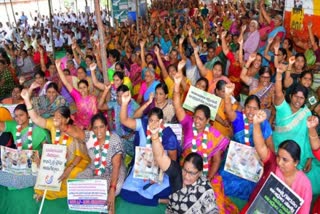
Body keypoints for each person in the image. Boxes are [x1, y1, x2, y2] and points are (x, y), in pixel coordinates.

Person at [173, 61, 237, 213]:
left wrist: (207, 179)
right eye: (195, 117)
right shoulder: (188, 123)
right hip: (186, 172)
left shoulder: (214, 135)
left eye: (201, 119)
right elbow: (177, 106)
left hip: (205, 174)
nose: (197, 121)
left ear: (208, 121)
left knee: (214, 205)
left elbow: (216, 160)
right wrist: (176, 85)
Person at [21, 89, 90, 200]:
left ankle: (52, 192)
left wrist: (68, 169)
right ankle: (42, 192)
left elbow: (79, 154)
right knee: (46, 175)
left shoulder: (74, 131)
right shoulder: (53, 125)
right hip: (57, 160)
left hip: (75, 162)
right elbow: (36, 119)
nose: (55, 119)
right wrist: (27, 100)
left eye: (59, 117)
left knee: (70, 176)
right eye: (55, 117)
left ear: (67, 119)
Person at [241, 110, 312, 214]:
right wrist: (256, 124)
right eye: (278, 157)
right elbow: (260, 146)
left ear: (296, 162)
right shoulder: (272, 163)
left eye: (285, 160)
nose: (279, 162)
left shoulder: (304, 185)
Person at [119, 91, 181, 206]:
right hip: (140, 171)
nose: (153, 124)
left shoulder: (168, 135)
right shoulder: (142, 125)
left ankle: (147, 194)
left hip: (160, 174)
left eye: (156, 121)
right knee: (125, 192)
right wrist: (124, 103)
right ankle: (158, 200)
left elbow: (173, 164)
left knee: (170, 190)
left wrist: (159, 174)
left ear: (161, 122)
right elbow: (124, 120)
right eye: (151, 121)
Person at [219, 83, 273, 200]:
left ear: (259, 110)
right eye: (248, 107)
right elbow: (228, 110)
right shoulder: (238, 118)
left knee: (252, 191)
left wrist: (268, 163)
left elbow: (270, 145)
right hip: (234, 162)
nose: (251, 111)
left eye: (255, 108)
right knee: (222, 186)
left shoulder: (264, 124)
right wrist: (227, 94)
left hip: (253, 166)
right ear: (244, 108)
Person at [273, 65, 320, 195]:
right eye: (296, 96)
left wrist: (310, 158)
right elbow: (278, 93)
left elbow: (307, 137)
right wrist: (278, 75)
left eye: (301, 98)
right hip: (280, 154)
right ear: (291, 96)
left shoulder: (306, 113)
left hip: (300, 157)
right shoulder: (283, 109)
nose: (298, 100)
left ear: (305, 99)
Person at [69, 112, 126, 214]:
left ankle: (106, 199)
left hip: (114, 168)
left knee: (114, 189)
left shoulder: (115, 140)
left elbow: (116, 166)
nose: (98, 131)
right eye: (95, 128)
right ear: (92, 128)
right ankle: (99, 193)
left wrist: (112, 189)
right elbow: (76, 132)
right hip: (95, 166)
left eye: (101, 127)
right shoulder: (90, 136)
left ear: (106, 127)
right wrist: (64, 126)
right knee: (79, 180)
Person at [151, 138, 218, 213]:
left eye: (192, 173)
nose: (186, 176)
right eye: (185, 170)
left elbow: (212, 210)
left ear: (199, 173)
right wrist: (155, 137)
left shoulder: (205, 187)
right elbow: (160, 157)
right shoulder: (177, 174)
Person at [0, 104, 50, 189]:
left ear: (28, 115)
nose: (18, 118)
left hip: (34, 163)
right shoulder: (14, 125)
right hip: (18, 160)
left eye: (21, 115)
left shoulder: (39, 129)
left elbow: (48, 151)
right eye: (16, 116)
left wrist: (41, 160)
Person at [56, 60, 98, 129]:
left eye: (84, 87)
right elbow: (66, 83)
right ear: (78, 89)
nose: (82, 90)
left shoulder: (93, 98)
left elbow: (95, 114)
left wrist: (89, 127)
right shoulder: (76, 95)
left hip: (91, 125)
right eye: (80, 88)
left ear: (88, 88)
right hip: (79, 123)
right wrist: (58, 68)